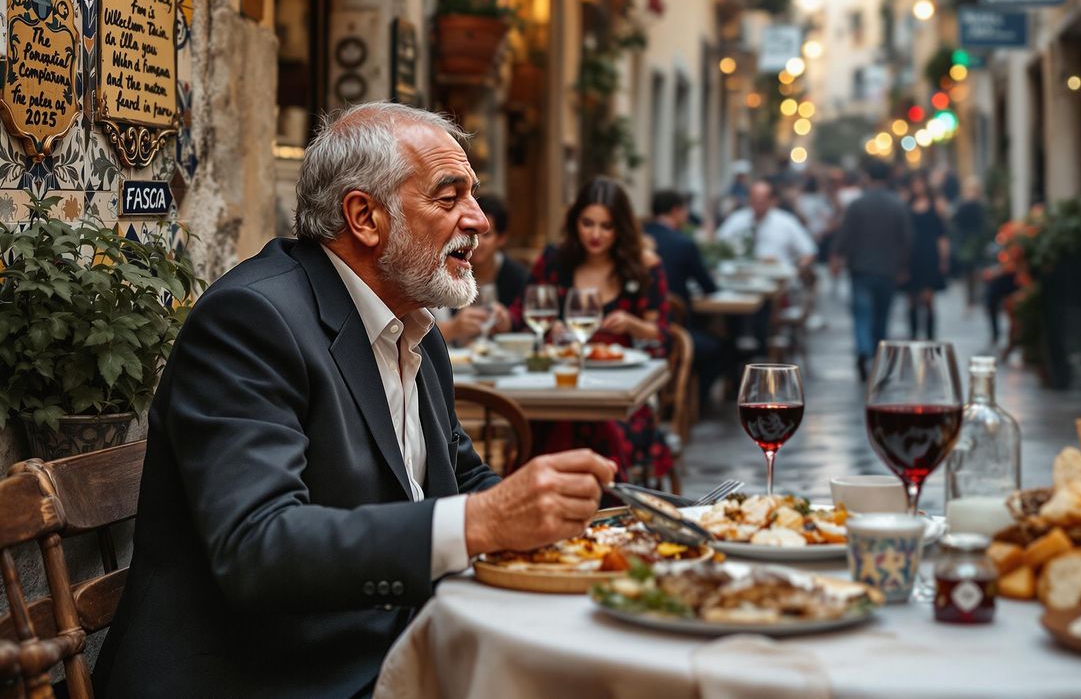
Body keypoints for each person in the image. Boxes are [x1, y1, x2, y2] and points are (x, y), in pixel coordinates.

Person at [95, 104, 616, 699]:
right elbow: (258, 548)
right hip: (269, 678)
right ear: (365, 217)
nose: (479, 220)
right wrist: (483, 522)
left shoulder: (414, 326)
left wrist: (578, 520)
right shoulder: (253, 319)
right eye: (449, 199)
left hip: (388, 653)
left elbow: (460, 479)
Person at [513, 177, 674, 482]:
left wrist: (634, 325)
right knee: (547, 420)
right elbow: (523, 313)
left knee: (597, 424)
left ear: (620, 228)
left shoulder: (643, 267)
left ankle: (601, 506)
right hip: (558, 383)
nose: (596, 234)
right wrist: (548, 329)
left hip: (622, 392)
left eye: (607, 226)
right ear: (575, 222)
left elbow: (665, 336)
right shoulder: (555, 260)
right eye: (588, 223)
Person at [832, 159, 912, 381]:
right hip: (887, 270)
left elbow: (845, 235)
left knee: (861, 314)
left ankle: (863, 349)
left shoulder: (857, 205)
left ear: (868, 178)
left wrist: (836, 257)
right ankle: (878, 355)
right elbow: (906, 240)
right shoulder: (897, 205)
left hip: (861, 269)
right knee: (882, 317)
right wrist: (904, 267)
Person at [645, 189, 725, 404]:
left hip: (638, 330)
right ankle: (694, 406)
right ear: (676, 211)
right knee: (720, 350)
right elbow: (709, 287)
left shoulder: (636, 238)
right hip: (671, 331)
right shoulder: (682, 244)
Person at [434, 192, 526, 346]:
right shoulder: (445, 270)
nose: (476, 242)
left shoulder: (516, 276)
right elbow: (418, 334)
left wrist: (509, 323)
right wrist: (454, 328)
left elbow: (529, 329)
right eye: (471, 232)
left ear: (501, 238)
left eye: (486, 235)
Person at [716, 180, 817, 270]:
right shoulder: (737, 219)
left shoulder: (787, 222)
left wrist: (796, 271)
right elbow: (719, 244)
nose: (758, 205)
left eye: (761, 201)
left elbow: (808, 251)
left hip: (778, 282)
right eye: (754, 201)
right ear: (748, 200)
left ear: (772, 201)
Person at [904, 173, 950, 340]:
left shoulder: (935, 206)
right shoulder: (907, 205)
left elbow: (942, 234)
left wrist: (944, 258)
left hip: (930, 254)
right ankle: (913, 334)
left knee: (929, 299)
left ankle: (930, 336)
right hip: (912, 256)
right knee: (911, 299)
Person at [950, 177, 989, 311]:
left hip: (977, 242)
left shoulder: (980, 205)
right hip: (966, 243)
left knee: (977, 271)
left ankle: (976, 298)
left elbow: (984, 224)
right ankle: (970, 300)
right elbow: (956, 222)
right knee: (968, 273)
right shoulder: (962, 205)